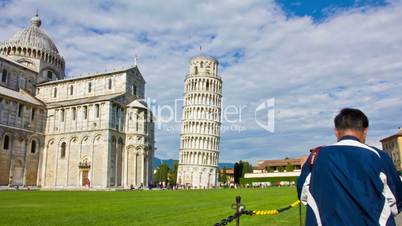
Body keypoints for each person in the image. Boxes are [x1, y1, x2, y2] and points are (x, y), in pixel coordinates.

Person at [297, 108, 402, 226]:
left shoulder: (316, 156)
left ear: (336, 131)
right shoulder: (379, 157)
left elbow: (304, 195)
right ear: (365, 130)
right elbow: (396, 202)